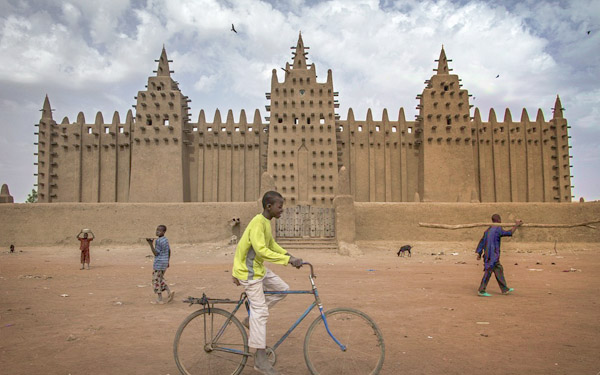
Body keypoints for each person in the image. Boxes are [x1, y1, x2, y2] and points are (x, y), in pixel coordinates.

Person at [232, 191, 303, 375]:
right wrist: (287, 261)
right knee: (261, 312)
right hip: (249, 273)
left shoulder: (265, 223)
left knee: (283, 289)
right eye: (280, 207)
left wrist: (290, 256)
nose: (282, 210)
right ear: (268, 207)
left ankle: (251, 320)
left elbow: (272, 245)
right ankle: (260, 360)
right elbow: (262, 251)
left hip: (258, 270)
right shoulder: (257, 223)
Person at [475, 214, 523, 296]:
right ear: (499, 220)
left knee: (498, 269)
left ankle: (504, 289)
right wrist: (516, 225)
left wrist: (479, 253)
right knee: (489, 271)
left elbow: (482, 241)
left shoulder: (488, 230)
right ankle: (481, 290)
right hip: (493, 254)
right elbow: (509, 233)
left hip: (488, 254)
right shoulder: (498, 228)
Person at [146, 225, 174, 304]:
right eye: (157, 230)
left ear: (164, 232)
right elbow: (169, 251)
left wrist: (150, 244)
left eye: (159, 230)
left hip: (158, 264)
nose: (157, 231)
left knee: (156, 280)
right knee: (160, 278)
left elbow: (156, 253)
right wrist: (168, 261)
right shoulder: (165, 240)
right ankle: (169, 292)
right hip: (164, 263)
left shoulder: (158, 241)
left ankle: (160, 299)